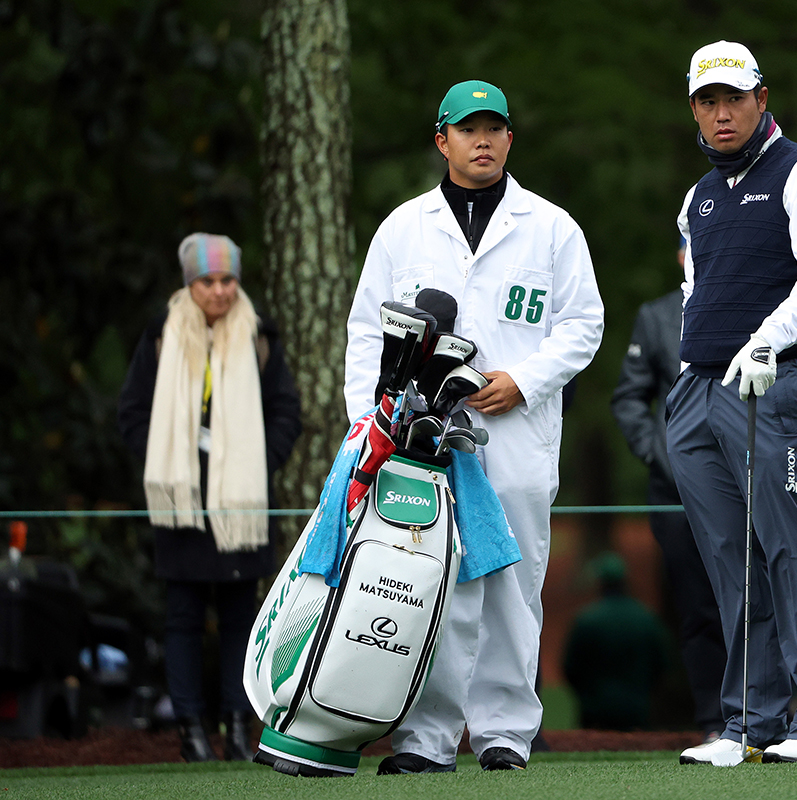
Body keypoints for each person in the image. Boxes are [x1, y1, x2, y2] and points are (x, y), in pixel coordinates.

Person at [344, 80, 604, 773]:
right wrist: (365, 427)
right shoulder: (403, 228)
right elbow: (367, 333)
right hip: (422, 436)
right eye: (467, 129)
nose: (481, 140)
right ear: (443, 140)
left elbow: (585, 324)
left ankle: (504, 735)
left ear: (510, 140)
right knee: (428, 580)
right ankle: (426, 739)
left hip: (515, 431)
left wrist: (525, 379)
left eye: (494, 128)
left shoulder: (552, 226)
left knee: (512, 584)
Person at [665, 40, 797, 765]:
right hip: (702, 388)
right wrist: (689, 368)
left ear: (761, 99)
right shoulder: (699, 195)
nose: (722, 114)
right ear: (695, 108)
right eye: (708, 102)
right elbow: (696, 288)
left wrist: (766, 343)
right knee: (729, 558)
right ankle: (750, 723)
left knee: (790, 550)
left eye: (734, 99)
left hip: (774, 384)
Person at [117, 233, 301, 762]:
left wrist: (257, 463)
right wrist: (162, 463)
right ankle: (191, 730)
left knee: (243, 616)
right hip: (180, 497)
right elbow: (131, 412)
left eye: (227, 280)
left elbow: (285, 410)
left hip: (241, 499)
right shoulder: (161, 334)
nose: (219, 292)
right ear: (189, 284)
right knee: (183, 616)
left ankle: (239, 727)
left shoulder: (260, 335)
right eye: (207, 281)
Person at [611, 239, 726, 741]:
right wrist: (661, 455)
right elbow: (630, 399)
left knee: (757, 597)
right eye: (691, 246)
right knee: (699, 607)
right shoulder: (656, 315)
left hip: (742, 483)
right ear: (679, 255)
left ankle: (770, 714)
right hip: (675, 488)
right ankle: (713, 722)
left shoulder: (750, 303)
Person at [562, 553, 671, 731]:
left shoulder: (586, 620)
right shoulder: (646, 618)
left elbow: (571, 667)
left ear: (600, 582)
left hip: (594, 710)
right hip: (638, 709)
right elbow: (661, 664)